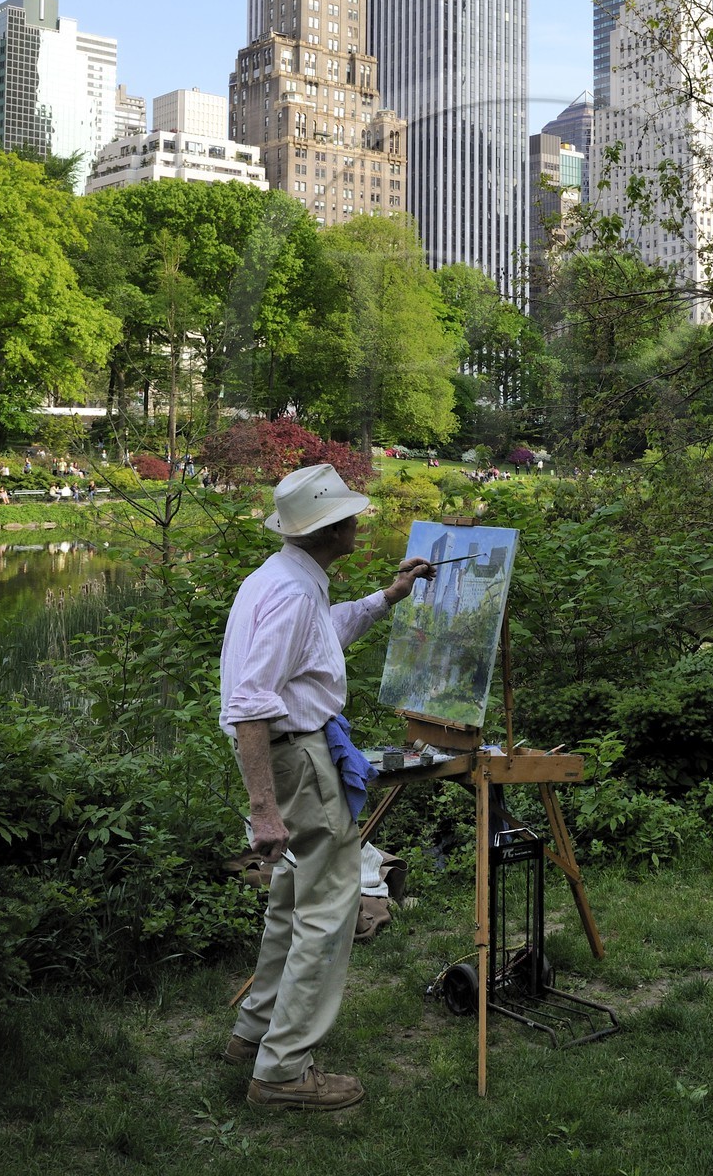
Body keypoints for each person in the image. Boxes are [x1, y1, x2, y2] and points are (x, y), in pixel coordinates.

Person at [219, 463, 433, 1112]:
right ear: (329, 528)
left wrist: (388, 598)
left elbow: (321, 640)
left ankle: (253, 1034)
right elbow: (250, 705)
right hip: (294, 757)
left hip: (291, 754)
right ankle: (284, 1072)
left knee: (293, 896)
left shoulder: (285, 579)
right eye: (349, 514)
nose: (358, 520)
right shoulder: (288, 593)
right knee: (329, 908)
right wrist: (263, 810)